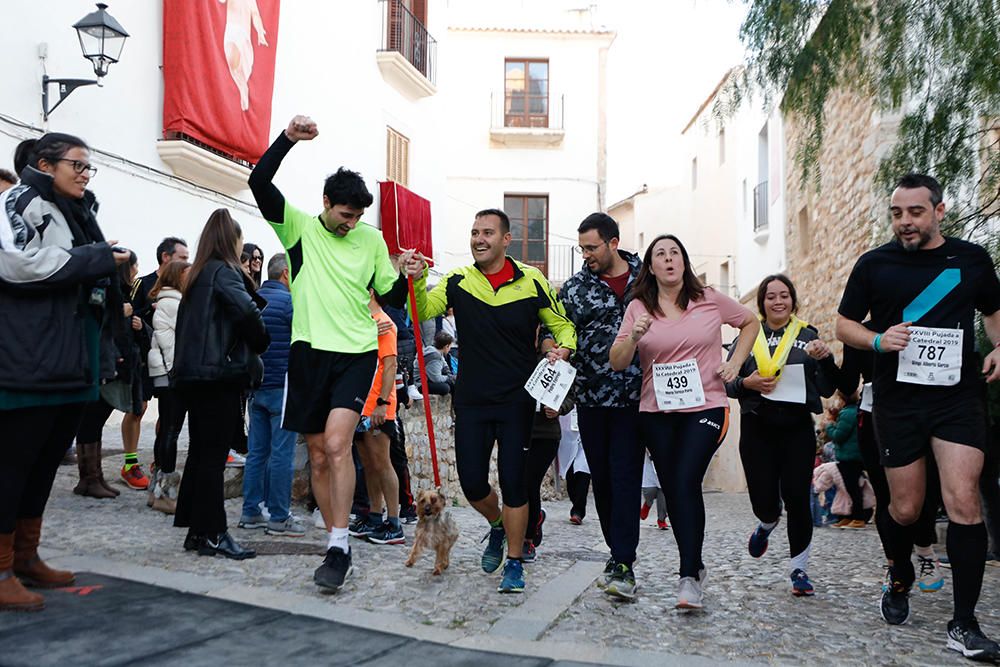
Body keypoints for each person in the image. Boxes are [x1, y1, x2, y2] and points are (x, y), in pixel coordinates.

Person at [836, 173, 1000, 659]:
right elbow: (845, 325)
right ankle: (900, 572)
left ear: (939, 212)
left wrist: (999, 346)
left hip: (957, 397)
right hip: (898, 401)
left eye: (915, 212)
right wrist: (880, 341)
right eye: (897, 213)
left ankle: (964, 623)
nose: (905, 222)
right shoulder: (874, 264)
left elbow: (993, 309)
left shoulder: (970, 260)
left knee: (963, 498)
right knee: (906, 508)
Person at [248, 115, 408, 592]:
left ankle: (339, 545)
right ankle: (338, 540)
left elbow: (392, 295)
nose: (351, 224)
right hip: (308, 353)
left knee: (338, 444)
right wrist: (287, 140)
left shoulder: (372, 240)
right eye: (344, 215)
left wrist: (409, 275)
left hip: (357, 353)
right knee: (318, 455)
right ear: (325, 204)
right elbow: (258, 181)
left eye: (357, 217)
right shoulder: (298, 229)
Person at [399, 208, 576, 595]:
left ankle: (514, 563)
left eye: (488, 233)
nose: (479, 239)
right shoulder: (457, 280)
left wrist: (564, 348)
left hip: (516, 401)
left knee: (514, 484)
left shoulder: (532, 281)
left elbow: (562, 324)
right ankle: (497, 526)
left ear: (506, 239)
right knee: (473, 483)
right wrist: (414, 279)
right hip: (473, 400)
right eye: (475, 232)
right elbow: (424, 310)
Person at [0, 132, 129, 611]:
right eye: (77, 164)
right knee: (13, 465)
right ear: (44, 163)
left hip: (71, 359)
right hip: (30, 360)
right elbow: (16, 263)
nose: (84, 172)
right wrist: (94, 258)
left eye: (88, 166)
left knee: (41, 467)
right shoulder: (18, 200)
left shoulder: (76, 207)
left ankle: (27, 556)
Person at [610, 234, 758, 610]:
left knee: (684, 479)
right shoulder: (638, 307)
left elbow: (750, 322)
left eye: (675, 253)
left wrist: (735, 364)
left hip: (706, 405)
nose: (669, 259)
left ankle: (688, 576)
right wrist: (635, 337)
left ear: (684, 262)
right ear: (651, 267)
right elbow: (617, 360)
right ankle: (695, 564)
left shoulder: (707, 298)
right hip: (657, 411)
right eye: (661, 254)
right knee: (676, 489)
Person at [724, 273, 838, 597]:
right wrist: (747, 383)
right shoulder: (748, 334)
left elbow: (829, 387)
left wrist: (826, 359)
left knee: (798, 498)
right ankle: (767, 522)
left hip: (796, 428)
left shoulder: (807, 335)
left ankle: (799, 568)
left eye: (784, 295)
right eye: (771, 296)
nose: (778, 301)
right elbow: (727, 380)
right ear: (761, 302)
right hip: (757, 427)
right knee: (764, 501)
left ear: (793, 300)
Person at [172, 208, 269, 560]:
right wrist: (261, 340)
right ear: (232, 242)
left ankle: (198, 532)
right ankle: (215, 532)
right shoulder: (225, 273)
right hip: (220, 377)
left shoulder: (197, 274)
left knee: (201, 454)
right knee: (213, 459)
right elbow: (248, 315)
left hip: (196, 377)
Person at [557, 212, 644, 598]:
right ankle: (617, 552)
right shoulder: (574, 289)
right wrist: (554, 349)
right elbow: (555, 330)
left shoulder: (649, 279)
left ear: (613, 243)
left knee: (625, 476)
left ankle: (624, 561)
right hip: (592, 397)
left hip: (641, 396)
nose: (586, 255)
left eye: (592, 247)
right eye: (582, 248)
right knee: (604, 481)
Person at [838, 323, 945, 591]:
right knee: (886, 496)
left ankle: (924, 549)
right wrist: (827, 362)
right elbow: (847, 382)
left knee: (926, 490)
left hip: (921, 413)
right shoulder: (859, 331)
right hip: (875, 416)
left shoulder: (923, 322)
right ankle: (895, 566)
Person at [74, 251, 151, 497]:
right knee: (92, 419)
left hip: (114, 362)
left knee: (95, 418)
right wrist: (120, 312)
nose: (136, 272)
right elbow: (93, 316)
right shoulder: (104, 287)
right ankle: (88, 479)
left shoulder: (119, 290)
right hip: (104, 363)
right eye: (133, 267)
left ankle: (93, 477)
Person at [237, 253, 304, 536]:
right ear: (286, 274)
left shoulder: (251, 299)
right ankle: (279, 516)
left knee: (256, 453)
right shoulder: (291, 303)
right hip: (282, 387)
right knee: (281, 455)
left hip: (256, 387)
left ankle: (250, 511)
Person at [349, 291, 405, 546]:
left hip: (377, 406)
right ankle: (374, 516)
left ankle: (394, 523)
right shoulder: (366, 322)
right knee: (368, 464)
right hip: (361, 404)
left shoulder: (384, 322)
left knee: (382, 463)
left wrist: (382, 403)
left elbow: (390, 365)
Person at [523, 337, 575, 563]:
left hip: (546, 434)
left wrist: (559, 408)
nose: (550, 345)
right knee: (516, 483)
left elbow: (571, 398)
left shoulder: (562, 367)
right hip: (519, 431)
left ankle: (527, 539)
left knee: (529, 483)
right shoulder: (522, 359)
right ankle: (527, 523)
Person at [146, 258, 190, 514]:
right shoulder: (174, 303)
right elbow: (168, 341)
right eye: (187, 272)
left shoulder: (168, 300)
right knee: (171, 431)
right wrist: (177, 372)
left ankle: (157, 489)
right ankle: (166, 491)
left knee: (166, 430)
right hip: (172, 375)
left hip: (166, 374)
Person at [826, 391, 867, 528]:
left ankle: (858, 517)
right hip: (853, 456)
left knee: (851, 488)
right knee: (847, 488)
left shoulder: (847, 414)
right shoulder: (852, 411)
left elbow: (838, 436)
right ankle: (847, 516)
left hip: (849, 457)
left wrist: (830, 425)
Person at [414, 331, 456, 396]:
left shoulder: (436, 351)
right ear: (446, 346)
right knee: (445, 388)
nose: (450, 349)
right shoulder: (434, 356)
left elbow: (445, 367)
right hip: (420, 383)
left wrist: (451, 376)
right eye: (450, 346)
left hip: (429, 379)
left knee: (454, 382)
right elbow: (436, 378)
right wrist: (449, 378)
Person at [640, 452, 668, 531]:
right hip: (648, 464)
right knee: (649, 491)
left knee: (663, 493)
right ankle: (648, 504)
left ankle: (661, 519)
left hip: (664, 461)